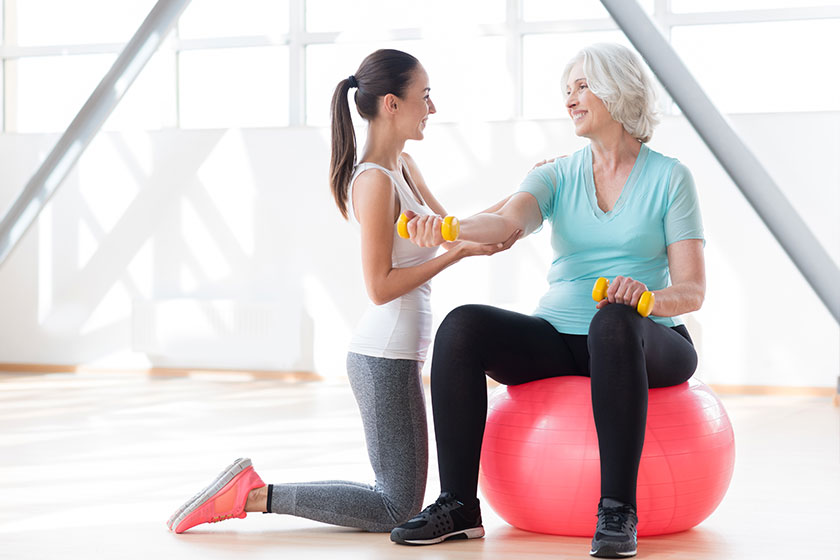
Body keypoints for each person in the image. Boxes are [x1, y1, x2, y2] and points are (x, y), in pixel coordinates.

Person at [165, 49, 519, 535]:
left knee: (397, 499)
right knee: (396, 507)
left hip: (398, 354)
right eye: (426, 96)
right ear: (392, 104)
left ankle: (251, 492)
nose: (432, 109)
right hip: (383, 356)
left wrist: (530, 191)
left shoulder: (407, 168)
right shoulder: (374, 182)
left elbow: (459, 229)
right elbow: (379, 287)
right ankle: (250, 494)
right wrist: (454, 257)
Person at [390, 43, 705, 559]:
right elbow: (509, 222)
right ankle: (459, 506)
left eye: (582, 86)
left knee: (613, 321)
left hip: (647, 338)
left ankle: (617, 510)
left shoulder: (670, 178)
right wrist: (451, 227)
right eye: (567, 90)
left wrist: (646, 298)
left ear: (617, 89)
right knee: (462, 326)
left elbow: (693, 290)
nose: (571, 100)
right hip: (559, 337)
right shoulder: (557, 174)